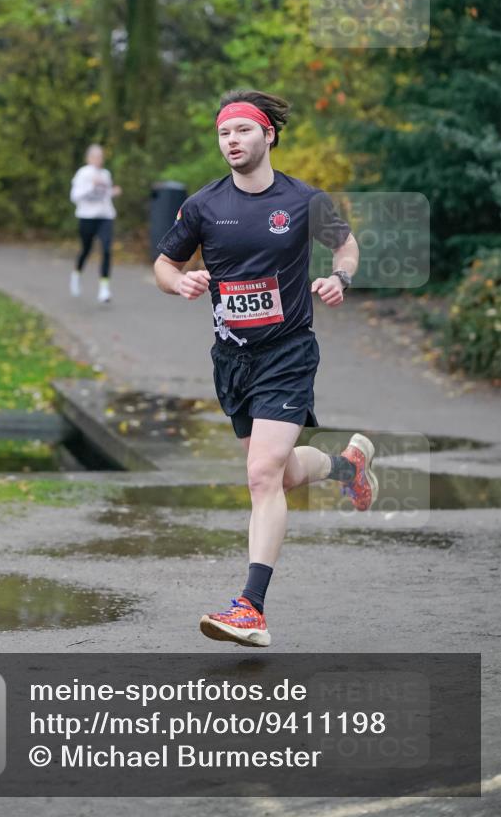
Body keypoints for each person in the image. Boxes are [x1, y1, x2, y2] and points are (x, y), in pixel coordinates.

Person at [153, 90, 378, 648]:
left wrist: (340, 277)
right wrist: (179, 281)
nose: (231, 141)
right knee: (278, 475)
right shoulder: (203, 206)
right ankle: (347, 467)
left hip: (288, 353)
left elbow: (346, 247)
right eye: (223, 133)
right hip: (232, 359)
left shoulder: (304, 200)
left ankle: (250, 607)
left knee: (260, 475)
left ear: (268, 135)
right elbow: (164, 263)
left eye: (242, 131)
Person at [69, 144, 121, 303]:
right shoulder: (83, 173)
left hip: (105, 216)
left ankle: (104, 289)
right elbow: (75, 196)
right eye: (96, 156)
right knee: (86, 250)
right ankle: (76, 275)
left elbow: (104, 195)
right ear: (88, 158)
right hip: (87, 217)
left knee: (106, 249)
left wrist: (112, 192)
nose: (99, 159)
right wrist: (92, 185)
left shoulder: (105, 174)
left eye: (101, 156)